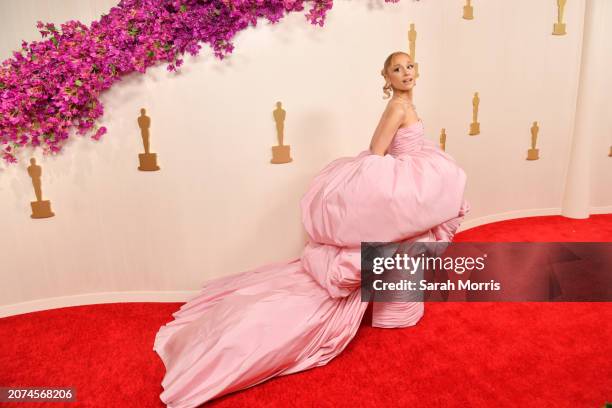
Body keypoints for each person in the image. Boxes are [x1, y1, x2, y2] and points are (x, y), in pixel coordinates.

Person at [153, 51, 470, 408]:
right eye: (397, 69)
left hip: (414, 171)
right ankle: (391, 310)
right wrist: (393, 191)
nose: (405, 72)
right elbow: (377, 151)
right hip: (403, 177)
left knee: (410, 240)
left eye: (409, 65)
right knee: (404, 238)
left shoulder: (406, 103)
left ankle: (397, 310)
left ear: (418, 69)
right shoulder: (397, 106)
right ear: (387, 77)